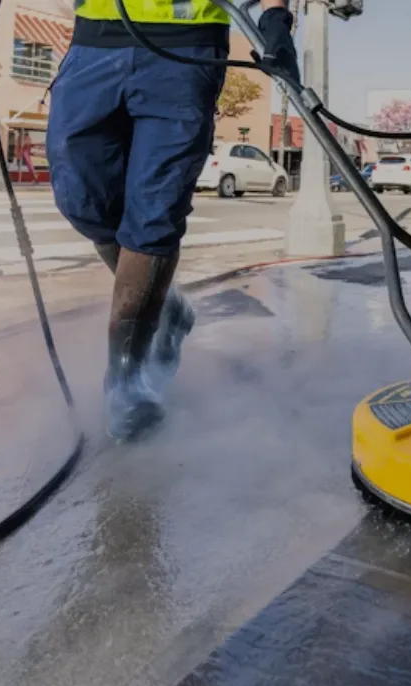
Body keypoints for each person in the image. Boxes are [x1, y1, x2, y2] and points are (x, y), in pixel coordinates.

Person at [47, 0, 299, 440]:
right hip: (95, 39)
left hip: (187, 51)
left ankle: (127, 379)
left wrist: (276, 18)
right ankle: (166, 305)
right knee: (80, 196)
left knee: (155, 210)